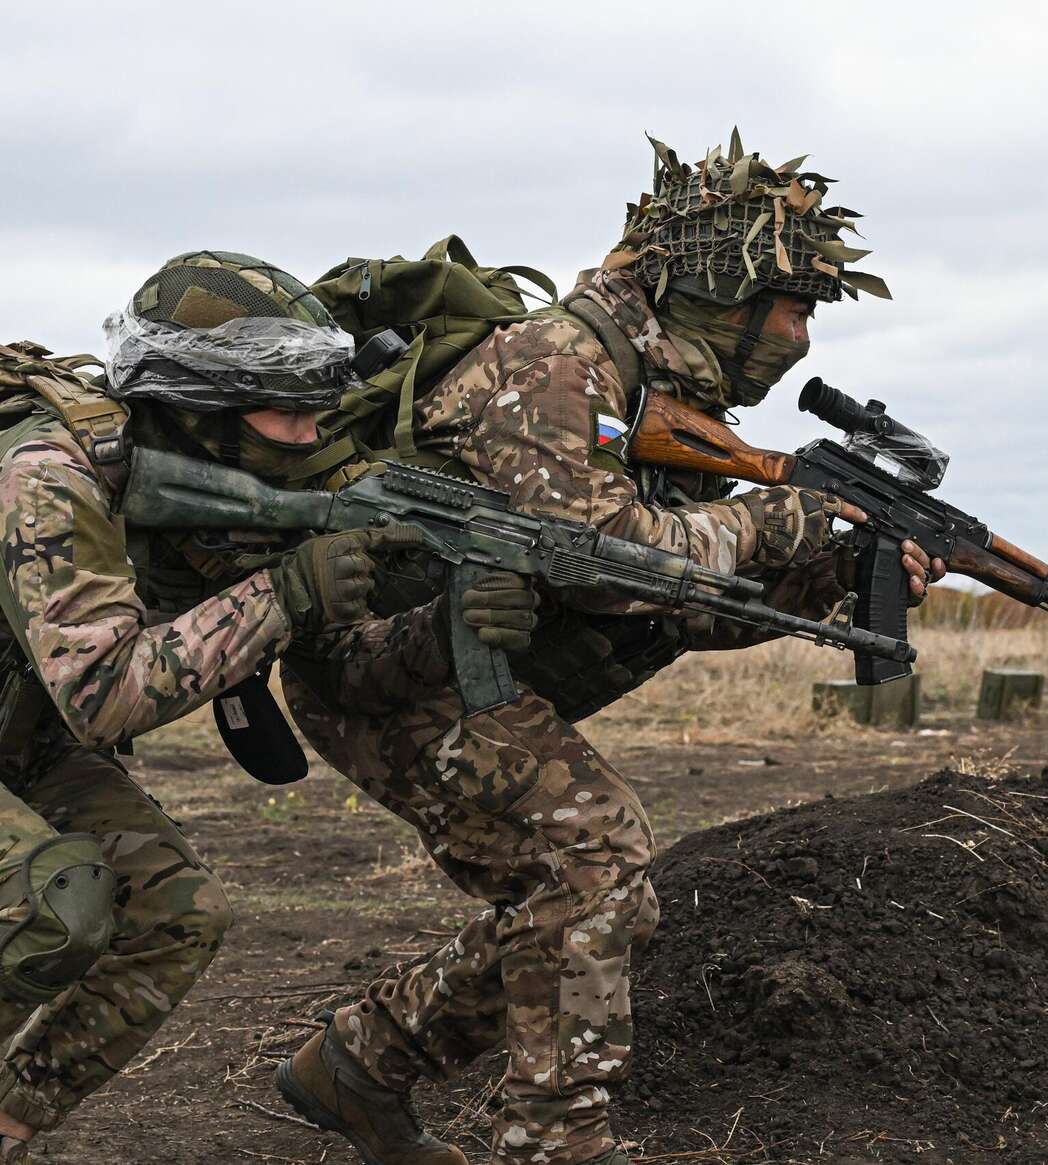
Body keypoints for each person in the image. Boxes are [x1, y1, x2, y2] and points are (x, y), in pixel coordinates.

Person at [274, 135, 941, 1165]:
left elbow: (681, 606)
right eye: (793, 305)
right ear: (727, 285)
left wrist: (834, 571)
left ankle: (365, 1060)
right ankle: (551, 1140)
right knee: (595, 858)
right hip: (383, 662)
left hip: (465, 661)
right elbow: (601, 562)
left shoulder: (662, 392)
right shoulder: (555, 366)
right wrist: (777, 524)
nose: (801, 337)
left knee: (581, 887)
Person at [0, 251, 526, 1165]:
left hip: (13, 719)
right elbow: (105, 698)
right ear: (192, 400)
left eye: (313, 406)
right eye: (281, 407)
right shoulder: (43, 473)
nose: (306, 434)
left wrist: (436, 604)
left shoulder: (204, 478)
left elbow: (329, 662)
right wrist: (286, 593)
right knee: (47, 904)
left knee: (179, 912)